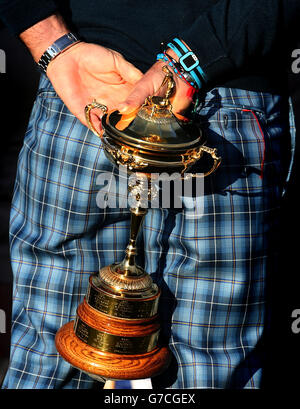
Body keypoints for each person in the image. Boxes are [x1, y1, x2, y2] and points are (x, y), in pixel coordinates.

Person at [0, 0, 298, 389]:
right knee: (209, 367)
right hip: (204, 105)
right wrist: (185, 63)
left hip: (92, 98)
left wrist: (51, 43)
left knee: (47, 356)